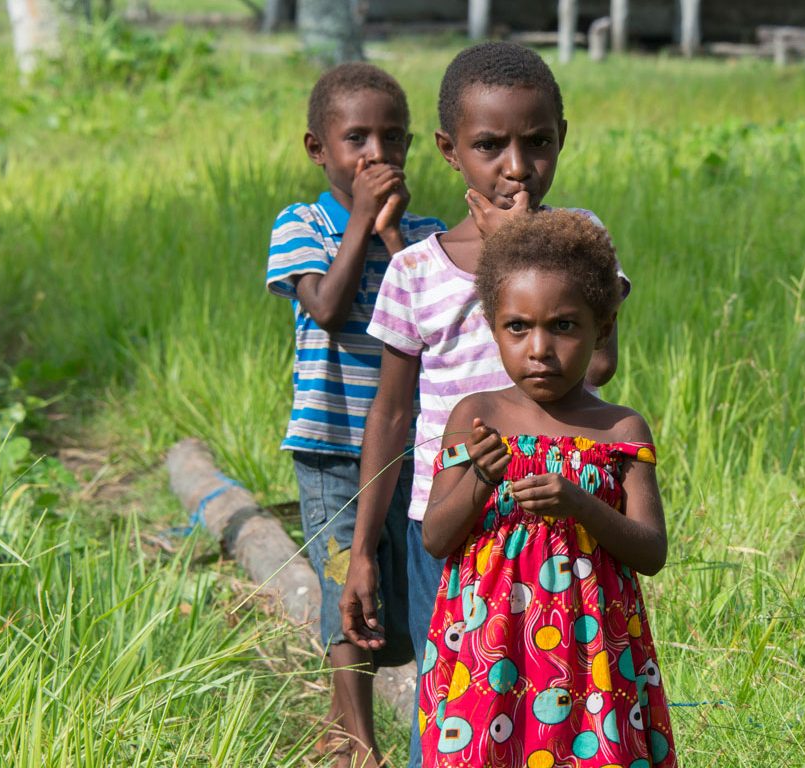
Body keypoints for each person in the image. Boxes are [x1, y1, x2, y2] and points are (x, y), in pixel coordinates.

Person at [345, 42, 625, 766]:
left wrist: (525, 252)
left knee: (561, 702)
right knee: (454, 704)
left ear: (562, 135)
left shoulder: (582, 241)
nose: (517, 167)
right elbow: (391, 415)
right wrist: (360, 551)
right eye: (489, 145)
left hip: (563, 519)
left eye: (537, 143)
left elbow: (600, 362)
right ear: (448, 149)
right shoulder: (414, 269)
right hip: (451, 523)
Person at [417, 210, 674, 767]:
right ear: (493, 326)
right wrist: (482, 479)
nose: (539, 347)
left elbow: (651, 551)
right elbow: (436, 538)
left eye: (563, 326)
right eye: (518, 327)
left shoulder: (621, 431)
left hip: (592, 654)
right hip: (490, 649)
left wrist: (580, 504)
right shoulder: (476, 415)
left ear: (602, 329)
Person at [264, 62, 446, 767]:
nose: (378, 155)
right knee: (348, 580)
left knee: (403, 586)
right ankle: (356, 743)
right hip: (333, 445)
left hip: (412, 442)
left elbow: (430, 317)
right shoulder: (300, 224)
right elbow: (329, 307)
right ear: (319, 149)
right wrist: (360, 228)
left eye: (394, 139)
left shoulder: (425, 235)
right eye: (357, 139)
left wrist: (395, 236)